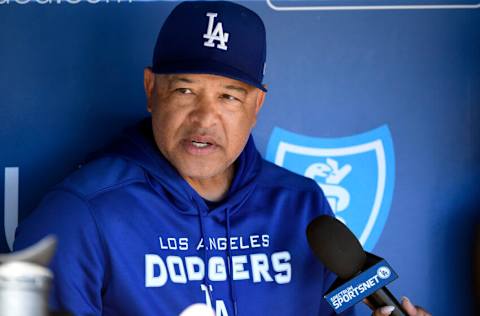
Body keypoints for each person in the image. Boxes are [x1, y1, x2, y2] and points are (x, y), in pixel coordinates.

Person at [13, 1, 430, 316]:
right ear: (150, 89)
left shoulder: (300, 204)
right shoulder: (80, 213)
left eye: (229, 96)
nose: (204, 119)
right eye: (185, 90)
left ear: (257, 105)